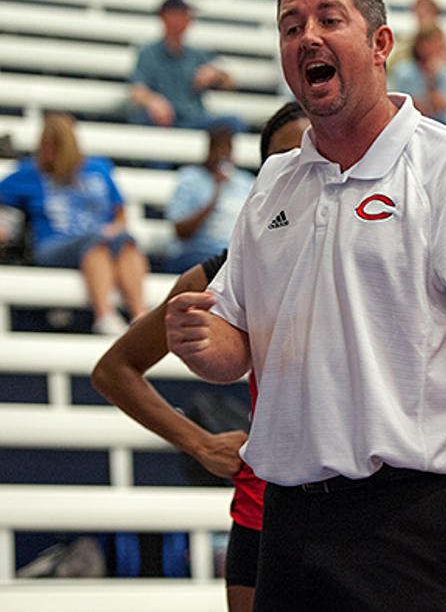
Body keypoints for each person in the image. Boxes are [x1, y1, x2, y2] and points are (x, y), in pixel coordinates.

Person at [164, 0, 446, 612]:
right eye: (290, 26)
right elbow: (236, 344)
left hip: (412, 512)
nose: (307, 38)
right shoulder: (275, 183)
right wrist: (197, 338)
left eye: (329, 19)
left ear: (382, 45)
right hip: (289, 511)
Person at [90, 101, 311, 612]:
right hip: (268, 503)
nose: (302, 170)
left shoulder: (382, 246)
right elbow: (114, 370)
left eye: (313, 155)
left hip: (370, 503)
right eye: (283, 160)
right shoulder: (224, 271)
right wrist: (199, 443)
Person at [0, 112, 147, 335]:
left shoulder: (98, 167)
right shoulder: (31, 171)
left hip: (101, 241)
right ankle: (104, 315)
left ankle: (140, 315)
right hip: (52, 245)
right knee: (96, 243)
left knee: (126, 243)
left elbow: (120, 212)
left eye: (53, 145)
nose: (47, 152)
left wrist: (115, 227)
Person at [129, 0, 241, 130]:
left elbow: (230, 83)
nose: (187, 19)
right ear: (166, 16)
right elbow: (137, 90)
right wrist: (154, 102)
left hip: (193, 119)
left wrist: (215, 75)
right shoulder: (148, 53)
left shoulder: (197, 54)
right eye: (182, 13)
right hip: (163, 119)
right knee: (145, 120)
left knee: (232, 123)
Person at [164, 125, 254, 273]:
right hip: (196, 253)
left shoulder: (244, 182)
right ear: (209, 149)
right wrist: (215, 195)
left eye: (228, 149)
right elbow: (181, 232)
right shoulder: (190, 179)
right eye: (219, 148)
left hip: (234, 255)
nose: (223, 155)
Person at [389, 26, 446, 125]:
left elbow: (438, 106)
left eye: (438, 44)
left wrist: (432, 77)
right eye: (431, 43)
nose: (435, 48)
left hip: (441, 123)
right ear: (419, 45)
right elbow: (411, 107)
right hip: (408, 121)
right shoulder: (403, 72)